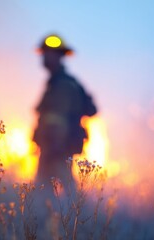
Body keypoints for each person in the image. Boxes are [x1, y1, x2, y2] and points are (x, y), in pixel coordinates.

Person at [33, 34, 97, 186]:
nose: (44, 57)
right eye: (43, 53)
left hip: (56, 149)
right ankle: (75, 210)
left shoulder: (63, 85)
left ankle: (80, 210)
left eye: (48, 53)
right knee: (50, 193)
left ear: (58, 56)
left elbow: (57, 119)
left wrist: (54, 146)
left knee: (55, 193)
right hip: (54, 148)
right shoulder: (55, 83)